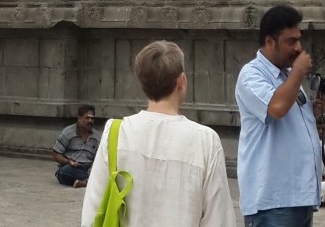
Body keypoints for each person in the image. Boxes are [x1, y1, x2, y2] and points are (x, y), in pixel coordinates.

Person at [80, 39, 233, 227]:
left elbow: (93, 210)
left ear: (141, 82)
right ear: (181, 81)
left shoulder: (116, 133)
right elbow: (219, 219)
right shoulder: (206, 141)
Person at [235, 2, 323, 226]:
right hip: (272, 202)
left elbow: (290, 117)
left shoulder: (289, 76)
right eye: (290, 41)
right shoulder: (252, 74)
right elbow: (275, 108)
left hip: (299, 197)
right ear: (269, 42)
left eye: (299, 40)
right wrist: (300, 71)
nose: (298, 47)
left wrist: (315, 112)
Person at [51, 103, 98, 187]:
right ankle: (90, 181)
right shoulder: (68, 132)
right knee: (64, 172)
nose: (90, 121)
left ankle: (85, 182)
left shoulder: (96, 136)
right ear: (79, 118)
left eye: (92, 118)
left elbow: (99, 157)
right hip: (71, 168)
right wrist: (68, 161)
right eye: (87, 118)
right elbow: (55, 155)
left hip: (88, 169)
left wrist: (94, 167)